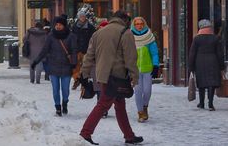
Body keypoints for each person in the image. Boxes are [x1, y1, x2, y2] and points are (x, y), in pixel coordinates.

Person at [79, 10, 142, 145]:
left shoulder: (98, 33)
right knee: (103, 104)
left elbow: (89, 56)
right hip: (117, 76)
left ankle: (129, 136)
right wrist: (134, 76)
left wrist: (84, 73)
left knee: (120, 105)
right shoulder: (126, 33)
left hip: (102, 75)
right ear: (125, 20)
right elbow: (131, 58)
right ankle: (85, 133)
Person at [31, 15, 76, 116]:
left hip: (66, 67)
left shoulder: (71, 36)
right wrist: (36, 61)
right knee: (55, 90)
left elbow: (74, 51)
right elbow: (44, 50)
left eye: (60, 25)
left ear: (64, 25)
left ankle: (65, 102)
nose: (58, 26)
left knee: (65, 90)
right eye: (56, 25)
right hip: (53, 66)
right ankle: (58, 107)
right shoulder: (51, 36)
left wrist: (74, 63)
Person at [188, 18, 224, 111]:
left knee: (201, 83)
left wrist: (191, 67)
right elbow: (220, 53)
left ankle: (201, 103)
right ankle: (211, 104)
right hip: (213, 62)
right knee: (211, 83)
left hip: (199, 62)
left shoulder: (197, 39)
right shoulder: (215, 38)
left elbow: (192, 53)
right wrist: (221, 66)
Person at [130, 16, 160, 122]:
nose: (139, 26)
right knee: (138, 91)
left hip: (148, 69)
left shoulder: (149, 37)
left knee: (147, 91)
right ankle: (140, 113)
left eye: (141, 24)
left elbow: (154, 53)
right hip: (135, 69)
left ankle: (145, 106)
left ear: (144, 24)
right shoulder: (130, 37)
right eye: (137, 24)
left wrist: (156, 66)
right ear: (134, 25)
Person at [24, 18, 50, 84]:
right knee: (39, 65)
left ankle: (32, 79)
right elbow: (47, 42)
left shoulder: (30, 32)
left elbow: (24, 39)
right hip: (41, 52)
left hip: (31, 51)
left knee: (32, 65)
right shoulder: (44, 33)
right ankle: (37, 80)